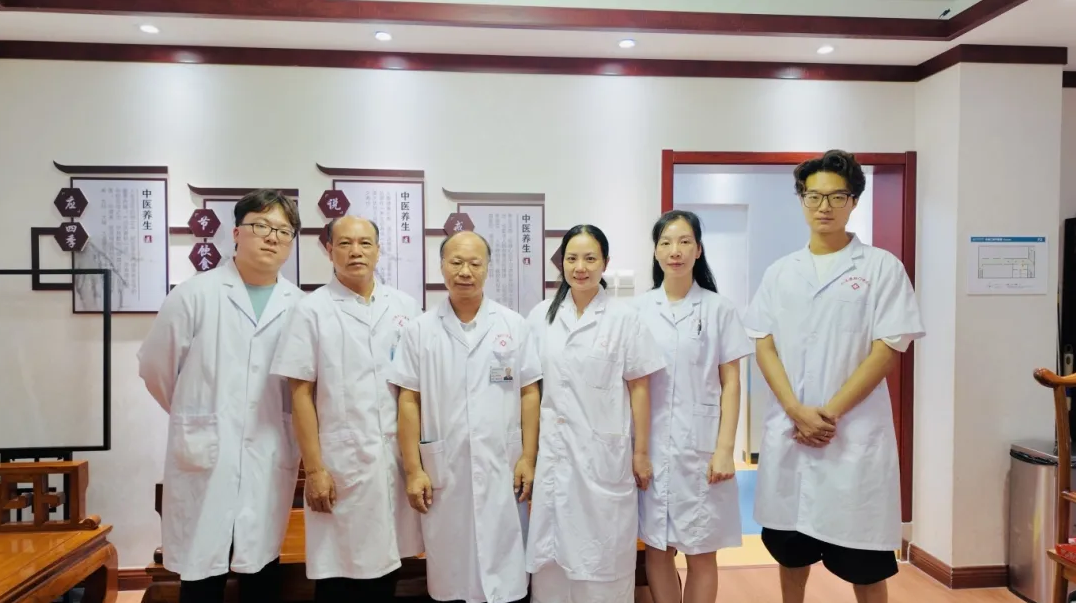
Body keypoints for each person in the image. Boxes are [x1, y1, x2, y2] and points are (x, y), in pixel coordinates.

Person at [744, 150, 925, 603]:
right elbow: (763, 343)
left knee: (865, 563)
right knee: (790, 554)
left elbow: (887, 349)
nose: (824, 206)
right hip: (792, 431)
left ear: (854, 201)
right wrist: (795, 410)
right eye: (814, 196)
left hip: (851, 437)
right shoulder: (781, 272)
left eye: (836, 196)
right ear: (801, 200)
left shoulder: (881, 268)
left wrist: (827, 415)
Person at [137, 189, 304, 603]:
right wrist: (195, 417)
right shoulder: (194, 295)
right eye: (261, 226)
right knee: (202, 574)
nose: (272, 237)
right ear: (236, 232)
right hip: (205, 452)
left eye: (283, 231)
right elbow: (156, 368)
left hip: (269, 450)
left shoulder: (300, 306)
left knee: (261, 568)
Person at [269, 215, 423, 602]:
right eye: (345, 243)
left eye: (365, 243)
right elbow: (300, 394)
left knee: (387, 570)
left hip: (392, 459)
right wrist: (315, 469)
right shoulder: (311, 310)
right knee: (338, 574)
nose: (356, 251)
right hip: (340, 463)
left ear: (378, 250)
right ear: (329, 250)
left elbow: (415, 389)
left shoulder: (404, 306)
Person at [389, 230, 542, 603]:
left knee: (505, 571)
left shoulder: (513, 325)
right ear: (441, 266)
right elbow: (408, 400)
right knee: (452, 575)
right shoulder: (420, 330)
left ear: (488, 268)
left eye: (475, 263)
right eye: (456, 262)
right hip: (446, 469)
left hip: (502, 464)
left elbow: (529, 392)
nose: (465, 272)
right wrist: (414, 469)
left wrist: (528, 456)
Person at [525, 225, 667, 603]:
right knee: (552, 565)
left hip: (604, 459)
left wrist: (640, 453)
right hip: (554, 455)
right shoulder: (540, 317)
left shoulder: (624, 318)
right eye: (572, 258)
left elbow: (640, 387)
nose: (580, 267)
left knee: (602, 565)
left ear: (605, 262)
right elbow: (530, 390)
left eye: (590, 258)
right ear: (561, 263)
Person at [634, 210, 754, 603]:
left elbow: (731, 383)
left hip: (701, 448)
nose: (676, 251)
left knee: (702, 551)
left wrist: (725, 450)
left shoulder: (719, 309)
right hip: (651, 445)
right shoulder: (637, 310)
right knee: (657, 548)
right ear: (655, 252)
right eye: (666, 242)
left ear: (698, 250)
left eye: (685, 241)